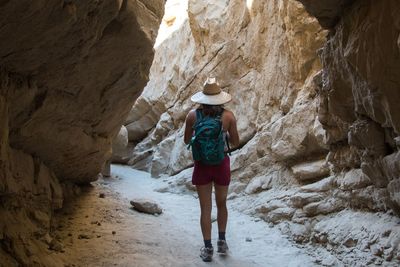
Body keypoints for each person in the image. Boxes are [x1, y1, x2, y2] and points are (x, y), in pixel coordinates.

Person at [184, 77, 239, 262]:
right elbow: (236, 142)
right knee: (222, 203)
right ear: (220, 98)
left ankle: (208, 249)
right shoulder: (228, 116)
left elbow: (186, 141)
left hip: (202, 166)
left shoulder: (192, 116)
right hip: (221, 164)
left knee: (205, 208)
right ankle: (221, 242)